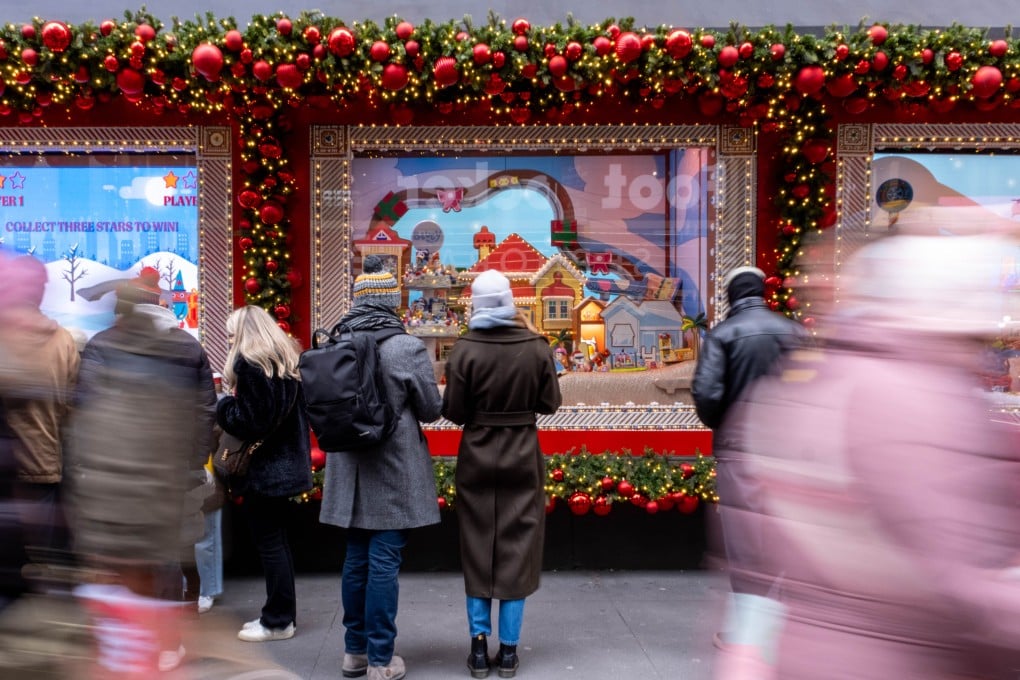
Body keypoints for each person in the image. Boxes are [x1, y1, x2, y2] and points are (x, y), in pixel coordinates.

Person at [714, 232, 1020, 679]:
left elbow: (764, 550)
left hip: (808, 649)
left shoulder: (827, 377)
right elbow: (957, 574)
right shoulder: (913, 396)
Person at [65, 269, 217, 675]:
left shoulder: (101, 346)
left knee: (128, 558)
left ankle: (135, 642)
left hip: (117, 474)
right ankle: (173, 638)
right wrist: (192, 461)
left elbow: (89, 409)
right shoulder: (187, 346)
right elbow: (205, 409)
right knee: (170, 552)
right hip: (171, 471)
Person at [318, 255, 443, 680]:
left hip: (349, 468)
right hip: (393, 465)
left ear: (357, 301)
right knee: (385, 558)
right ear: (392, 302)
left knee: (356, 557)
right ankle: (381, 659)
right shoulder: (406, 347)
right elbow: (430, 409)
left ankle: (353, 652)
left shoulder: (334, 343)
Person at [441, 268, 563, 679]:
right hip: (522, 453)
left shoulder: (464, 350)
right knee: (518, 549)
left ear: (475, 304)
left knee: (477, 546)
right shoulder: (536, 347)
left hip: (477, 454)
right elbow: (550, 404)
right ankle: (508, 651)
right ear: (511, 301)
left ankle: (478, 648)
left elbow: (454, 411)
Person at [690, 266, 806, 665]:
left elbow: (706, 394)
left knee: (743, 540)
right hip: (788, 448)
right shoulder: (794, 333)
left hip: (739, 449)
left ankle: (747, 632)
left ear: (731, 295)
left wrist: (727, 422)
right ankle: (785, 624)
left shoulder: (722, 335)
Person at [216, 305, 312, 642]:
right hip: (285, 467)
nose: (229, 340)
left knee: (271, 545)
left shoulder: (251, 365)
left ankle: (277, 620)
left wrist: (224, 406)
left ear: (246, 333)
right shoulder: (284, 362)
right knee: (278, 544)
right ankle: (280, 615)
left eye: (231, 333)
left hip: (265, 471)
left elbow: (250, 421)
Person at [0, 255, 80, 574]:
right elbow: (70, 407)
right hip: (44, 465)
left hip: (10, 472)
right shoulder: (63, 341)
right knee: (39, 565)